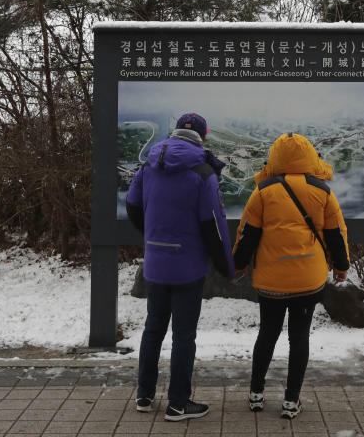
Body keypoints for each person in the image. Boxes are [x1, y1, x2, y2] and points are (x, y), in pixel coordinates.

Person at [125, 112, 234, 422]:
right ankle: (178, 403)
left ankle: (144, 395)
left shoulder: (149, 166)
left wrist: (153, 235)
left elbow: (133, 208)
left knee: (153, 329)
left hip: (156, 264)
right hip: (187, 267)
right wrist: (227, 266)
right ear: (203, 136)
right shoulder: (202, 172)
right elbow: (213, 226)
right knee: (183, 336)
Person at [232, 132, 350, 419]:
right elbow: (336, 233)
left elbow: (248, 234)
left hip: (271, 282)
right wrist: (341, 266)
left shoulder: (263, 192)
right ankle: (291, 401)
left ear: (275, 158)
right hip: (307, 282)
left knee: (267, 335)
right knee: (299, 338)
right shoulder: (322, 191)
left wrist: (238, 265)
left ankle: (256, 394)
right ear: (310, 156)